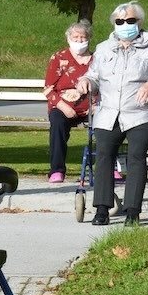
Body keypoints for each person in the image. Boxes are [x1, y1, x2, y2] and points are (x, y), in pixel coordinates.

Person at [78, 0, 148, 226]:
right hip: (109, 112)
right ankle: (102, 209)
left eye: (130, 21)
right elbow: (93, 76)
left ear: (139, 23)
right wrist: (85, 81)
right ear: (114, 24)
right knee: (103, 154)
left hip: (140, 113)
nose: (125, 25)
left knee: (137, 156)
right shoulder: (103, 48)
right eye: (120, 21)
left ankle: (133, 212)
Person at [43, 22, 94, 183]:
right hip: (63, 106)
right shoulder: (59, 58)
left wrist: (97, 106)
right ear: (68, 38)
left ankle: (110, 168)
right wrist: (63, 106)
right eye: (75, 37)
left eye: (83, 37)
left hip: (92, 108)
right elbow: (48, 89)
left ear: (89, 39)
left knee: (108, 126)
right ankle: (57, 170)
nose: (79, 41)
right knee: (57, 123)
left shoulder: (97, 59)